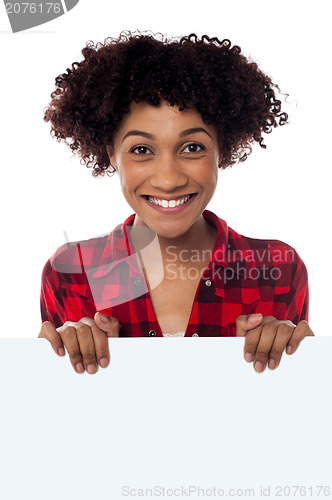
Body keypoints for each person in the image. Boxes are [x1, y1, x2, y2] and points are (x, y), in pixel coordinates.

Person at [38, 31, 314, 375]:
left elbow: (293, 408)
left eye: (192, 148)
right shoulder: (70, 273)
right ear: (111, 154)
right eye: (141, 150)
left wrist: (297, 355)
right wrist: (60, 356)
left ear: (222, 150)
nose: (168, 179)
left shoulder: (279, 271)